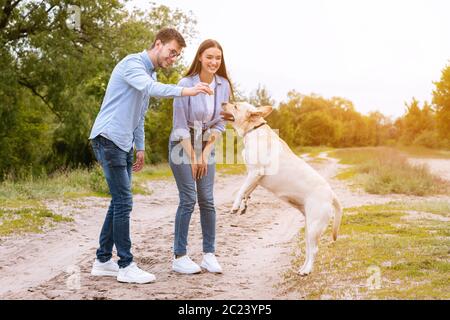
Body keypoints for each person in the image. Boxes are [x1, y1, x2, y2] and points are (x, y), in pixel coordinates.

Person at [89, 28, 213, 284]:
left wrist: (140, 146)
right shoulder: (132, 64)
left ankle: (102, 260)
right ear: (158, 44)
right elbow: (150, 88)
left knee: (118, 202)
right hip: (108, 137)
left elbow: (139, 114)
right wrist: (187, 91)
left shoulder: (150, 73)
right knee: (124, 202)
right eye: (171, 52)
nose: (173, 58)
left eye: (177, 55)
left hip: (122, 143)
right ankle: (126, 265)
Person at [169, 39, 234, 274]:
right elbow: (179, 126)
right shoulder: (185, 84)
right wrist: (193, 156)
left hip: (207, 143)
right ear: (199, 57)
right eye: (209, 57)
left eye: (218, 58)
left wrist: (204, 153)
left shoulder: (223, 84)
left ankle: (209, 254)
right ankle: (180, 256)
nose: (214, 62)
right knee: (188, 199)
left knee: (207, 199)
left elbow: (221, 123)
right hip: (182, 142)